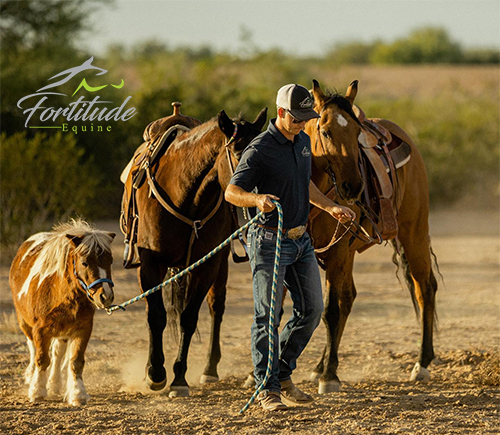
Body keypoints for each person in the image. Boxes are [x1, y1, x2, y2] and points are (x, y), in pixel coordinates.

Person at [225, 84, 356, 411]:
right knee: (267, 316)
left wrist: (329, 207)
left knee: (312, 311)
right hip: (269, 240)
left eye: (305, 118)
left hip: (301, 242)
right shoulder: (260, 149)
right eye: (296, 118)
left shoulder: (302, 142)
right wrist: (257, 199)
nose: (301, 123)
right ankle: (266, 388)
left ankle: (281, 373)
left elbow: (304, 182)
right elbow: (231, 191)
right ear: (281, 113)